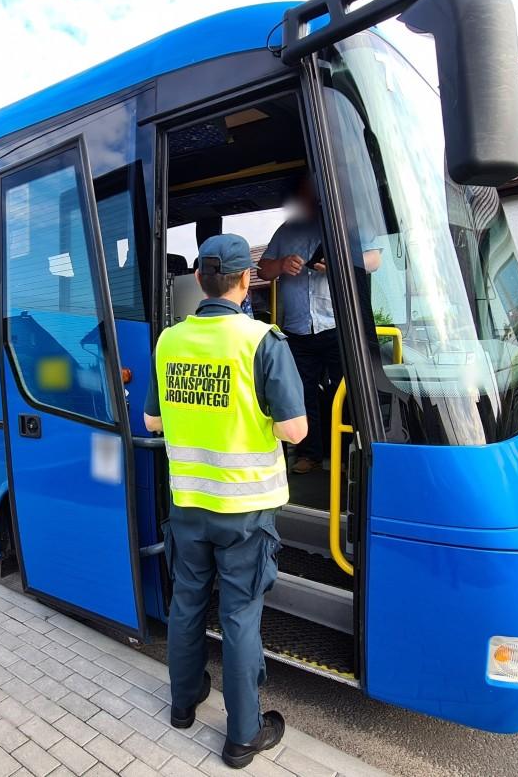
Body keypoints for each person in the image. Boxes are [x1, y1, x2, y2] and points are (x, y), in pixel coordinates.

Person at [144, 233, 307, 770]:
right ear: (245, 280)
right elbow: (296, 431)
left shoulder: (169, 342)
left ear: (198, 280)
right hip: (245, 512)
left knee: (187, 602)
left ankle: (184, 704)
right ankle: (242, 735)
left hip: (187, 506)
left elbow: (151, 421)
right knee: (240, 615)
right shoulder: (263, 341)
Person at [257, 174, 380, 474]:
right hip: (297, 329)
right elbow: (263, 269)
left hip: (338, 325)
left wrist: (340, 263)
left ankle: (348, 458)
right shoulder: (285, 232)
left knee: (348, 393)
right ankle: (309, 455)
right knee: (301, 394)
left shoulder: (345, 224)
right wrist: (283, 264)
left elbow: (375, 259)